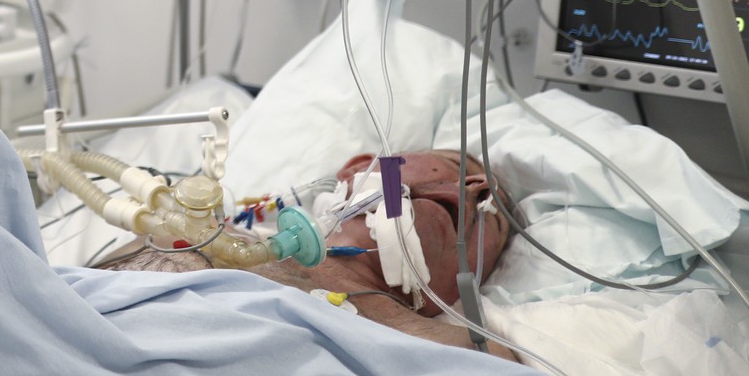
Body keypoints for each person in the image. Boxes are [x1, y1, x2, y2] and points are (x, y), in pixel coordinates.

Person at [102, 149, 516, 359]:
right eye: (452, 165)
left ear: (464, 283)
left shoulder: (452, 346)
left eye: (492, 222)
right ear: (359, 169)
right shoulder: (194, 229)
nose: (478, 190)